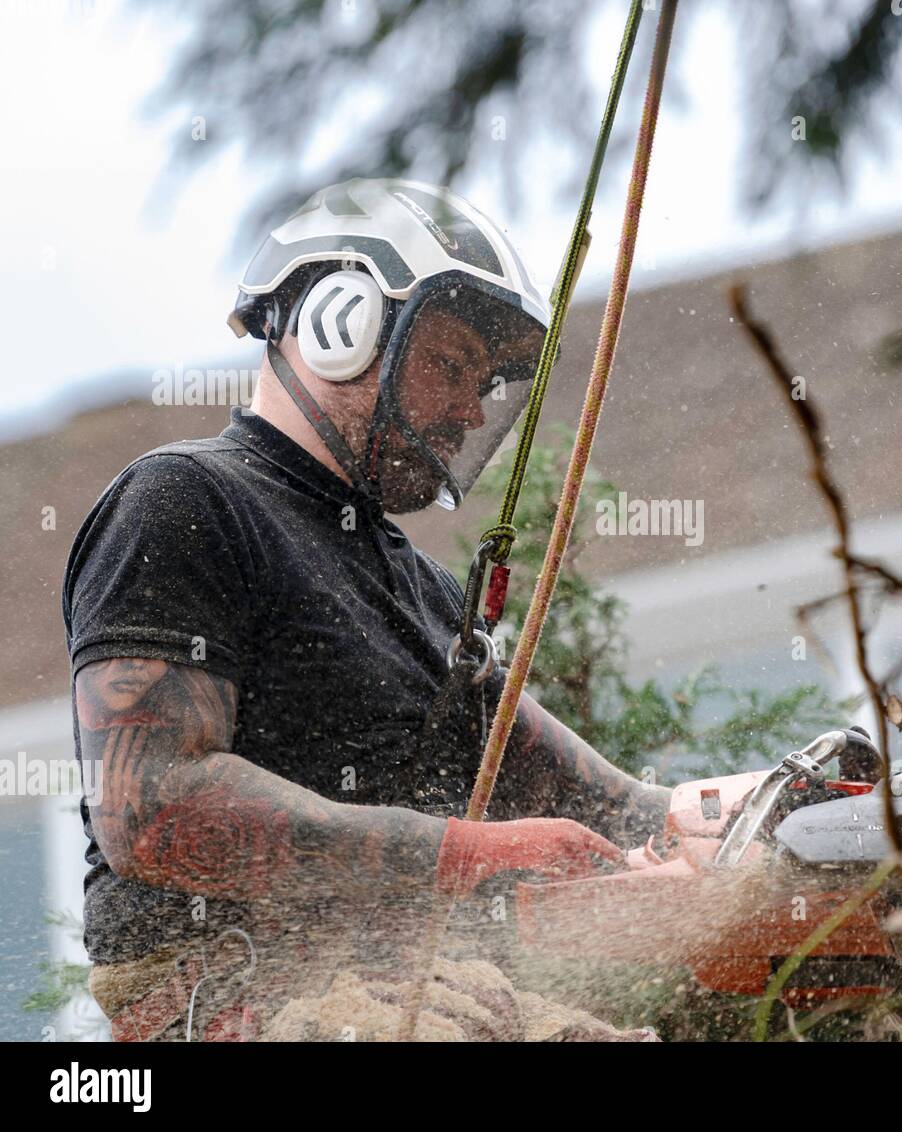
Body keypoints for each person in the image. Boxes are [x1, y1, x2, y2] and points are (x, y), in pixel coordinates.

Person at [63, 178, 671, 1041]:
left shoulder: (421, 592)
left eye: (487, 382)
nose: (470, 410)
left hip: (422, 984)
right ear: (339, 322)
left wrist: (754, 812)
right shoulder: (184, 501)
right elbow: (153, 808)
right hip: (229, 1000)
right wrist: (463, 855)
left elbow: (609, 803)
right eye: (451, 365)